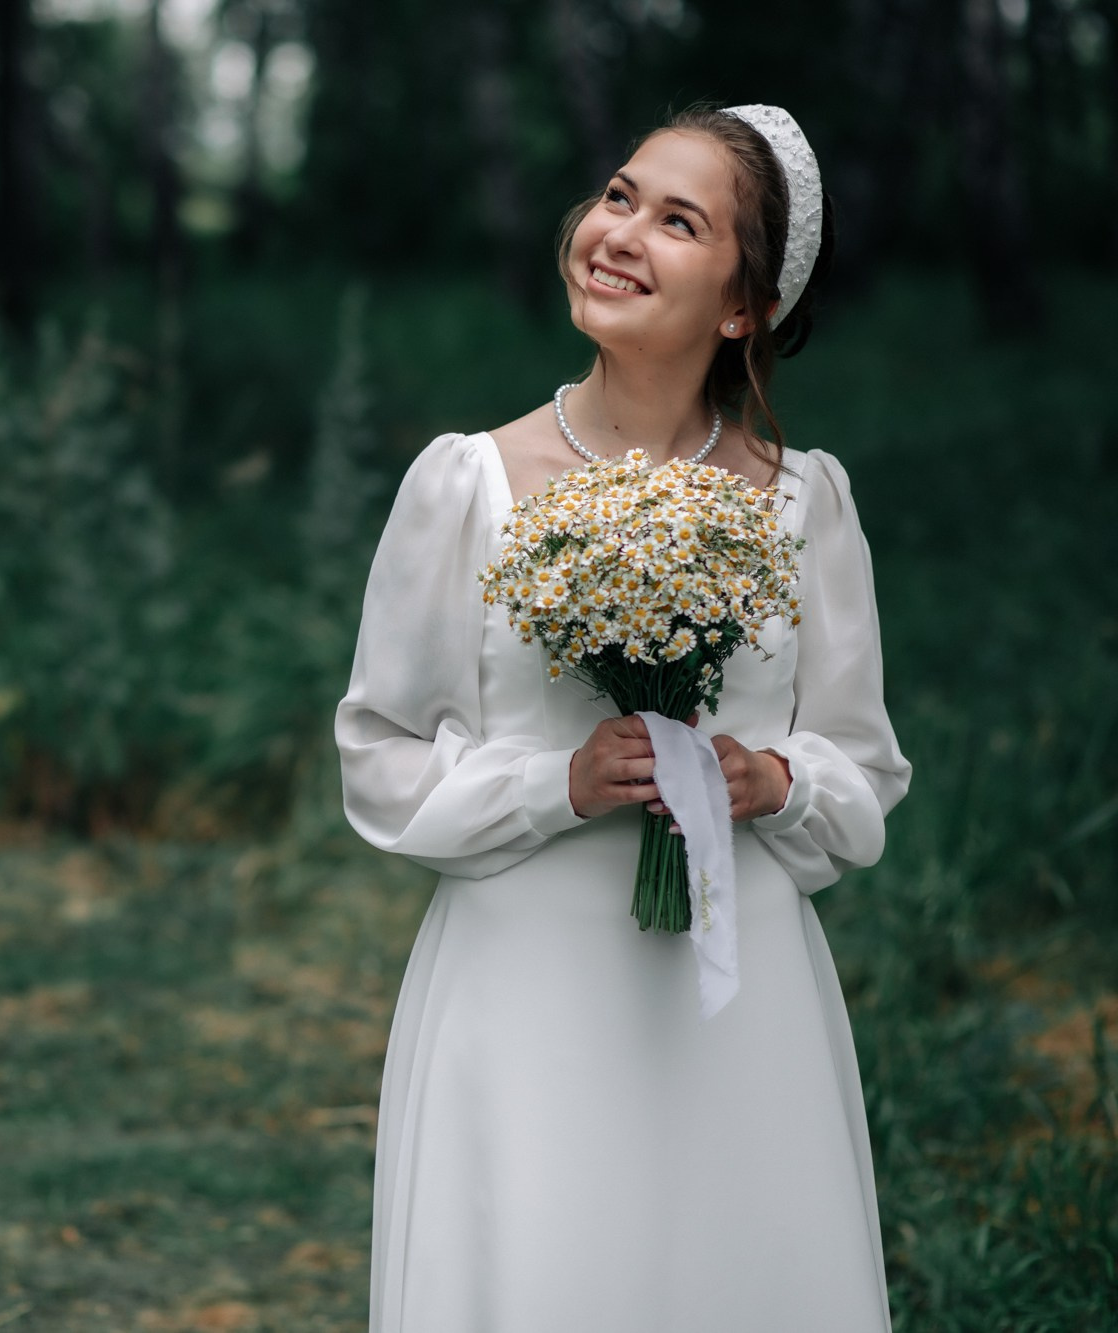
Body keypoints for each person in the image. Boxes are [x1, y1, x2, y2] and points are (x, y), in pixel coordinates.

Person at [334, 102, 912, 1331]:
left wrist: (773, 779)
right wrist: (561, 783)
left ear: (741, 307)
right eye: (615, 195)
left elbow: (862, 767)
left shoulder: (803, 506)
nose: (618, 232)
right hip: (521, 986)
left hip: (734, 989)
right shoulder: (467, 484)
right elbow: (377, 757)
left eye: (676, 221)